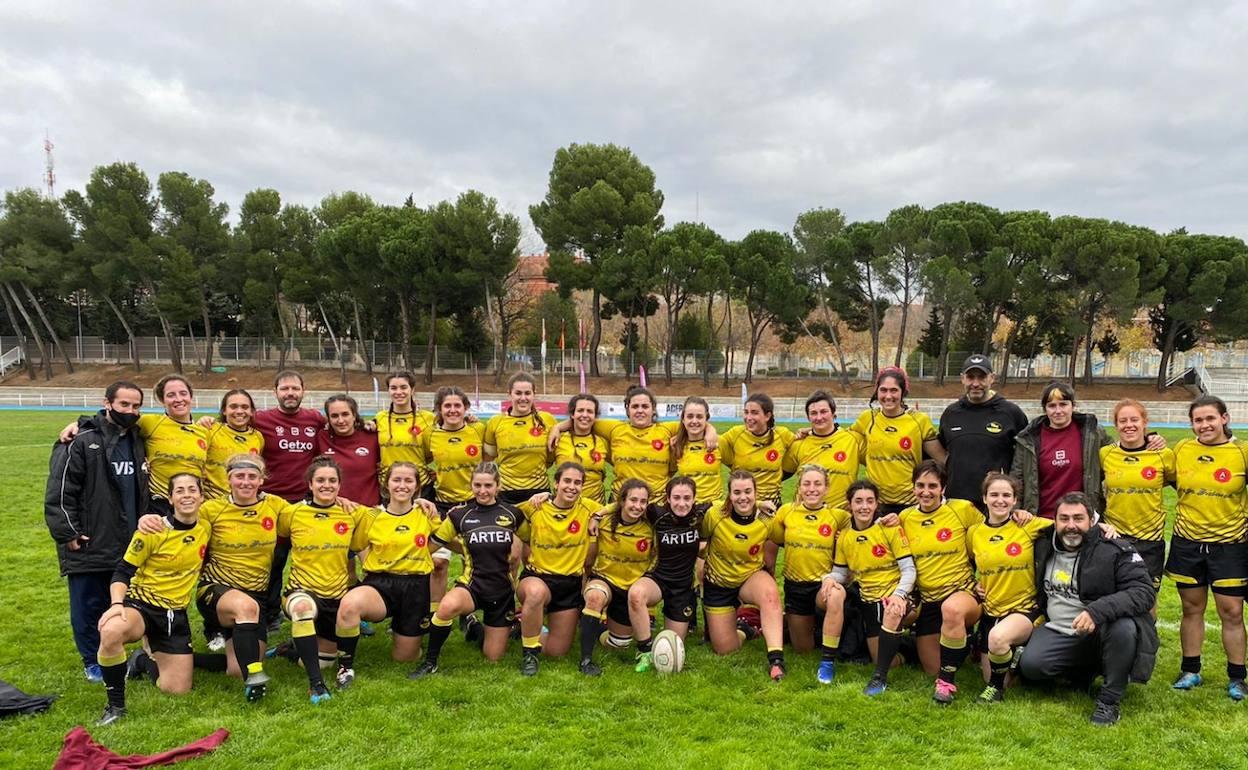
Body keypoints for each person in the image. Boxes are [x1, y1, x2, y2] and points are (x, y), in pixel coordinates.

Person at [137, 454, 288, 701]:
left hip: (254, 597)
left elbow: (308, 514)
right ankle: (256, 678)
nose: (245, 482)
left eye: (252, 476)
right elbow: (179, 519)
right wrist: (149, 518)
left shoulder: (275, 506)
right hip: (215, 591)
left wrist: (345, 504)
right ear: (229, 479)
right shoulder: (212, 510)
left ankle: (160, 661)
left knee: (236, 669)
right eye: (239, 476)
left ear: (261, 480)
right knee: (246, 615)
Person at [1018, 492, 1159, 725]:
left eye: (1078, 519)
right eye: (1064, 519)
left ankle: (1109, 700)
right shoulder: (1043, 544)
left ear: (1092, 521)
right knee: (1032, 668)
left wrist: (1097, 611)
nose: (1071, 526)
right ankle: (1082, 672)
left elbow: (1143, 592)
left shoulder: (1115, 548)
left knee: (1123, 627)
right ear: (1054, 520)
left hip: (1102, 629)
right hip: (1060, 629)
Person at [44, 381, 150, 683]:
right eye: (124, 405)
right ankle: (93, 660)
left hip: (128, 539)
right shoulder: (80, 440)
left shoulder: (138, 439)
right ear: (107, 403)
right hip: (90, 538)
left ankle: (115, 653)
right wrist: (68, 532)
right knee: (88, 603)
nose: (130, 411)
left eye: (136, 406)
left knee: (121, 600)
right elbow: (60, 491)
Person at [94, 473, 211, 725]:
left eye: (193, 490)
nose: (187, 495)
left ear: (202, 496)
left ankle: (141, 661)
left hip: (174, 614)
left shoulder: (206, 525)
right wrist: (116, 605)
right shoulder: (153, 530)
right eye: (179, 491)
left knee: (176, 689)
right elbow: (122, 571)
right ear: (170, 498)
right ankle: (115, 706)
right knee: (112, 631)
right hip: (142, 606)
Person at [1166, 395, 1248, 699]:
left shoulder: (1241, 452)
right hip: (1187, 542)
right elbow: (1168, 480)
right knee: (1191, 608)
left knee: (1231, 611)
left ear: (1224, 419)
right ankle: (1191, 670)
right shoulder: (1183, 449)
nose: (1204, 425)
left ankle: (1237, 677)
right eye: (1198, 420)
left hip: (1229, 545)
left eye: (1210, 418)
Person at [409, 462, 523, 677]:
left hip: (502, 591)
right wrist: (419, 514)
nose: (482, 491)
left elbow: (530, 540)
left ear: (498, 486)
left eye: (488, 485)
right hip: (473, 585)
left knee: (493, 657)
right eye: (477, 485)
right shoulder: (459, 515)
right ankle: (430, 662)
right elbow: (433, 543)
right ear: (471, 486)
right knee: (446, 608)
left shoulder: (513, 514)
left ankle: (474, 628)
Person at [334, 462, 441, 689]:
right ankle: (345, 667)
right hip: (381, 585)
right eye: (397, 480)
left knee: (405, 658)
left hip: (416, 587)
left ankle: (411, 635)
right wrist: (369, 563)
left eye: (408, 481)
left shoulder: (427, 513)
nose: (402, 485)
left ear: (417, 487)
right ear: (386, 484)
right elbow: (355, 541)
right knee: (350, 604)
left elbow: (444, 540)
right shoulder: (371, 515)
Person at [276, 456, 369, 704]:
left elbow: (394, 512)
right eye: (320, 480)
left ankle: (290, 650)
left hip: (336, 596)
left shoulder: (353, 513)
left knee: (325, 661)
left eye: (332, 480)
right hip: (301, 589)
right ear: (310, 484)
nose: (326, 485)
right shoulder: (291, 513)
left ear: (340, 485)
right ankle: (316, 685)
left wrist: (424, 503)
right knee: (303, 609)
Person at [59, 374, 208, 514]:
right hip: (158, 507)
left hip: (194, 506)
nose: (178, 399)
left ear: (191, 396)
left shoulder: (205, 431)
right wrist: (79, 424)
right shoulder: (149, 423)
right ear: (162, 400)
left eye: (183, 393)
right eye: (170, 395)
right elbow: (111, 421)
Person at [899, 461, 982, 704]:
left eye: (933, 486)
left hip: (962, 593)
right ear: (913, 487)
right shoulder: (906, 517)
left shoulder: (962, 509)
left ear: (943, 488)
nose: (926, 491)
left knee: (952, 610)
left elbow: (989, 537)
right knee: (931, 668)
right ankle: (969, 643)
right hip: (929, 599)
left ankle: (946, 683)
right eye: (920, 485)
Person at [548, 385, 716, 504]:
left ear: (653, 409)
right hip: (620, 501)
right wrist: (557, 427)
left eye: (645, 406)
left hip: (656, 503)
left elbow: (694, 422)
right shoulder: (614, 428)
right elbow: (583, 420)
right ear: (627, 409)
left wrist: (711, 430)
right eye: (635, 406)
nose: (640, 410)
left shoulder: (666, 429)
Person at [968, 473, 1051, 703]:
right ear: (984, 498)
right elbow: (967, 564)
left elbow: (1066, 525)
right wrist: (974, 584)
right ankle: (1015, 661)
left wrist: (1100, 526)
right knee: (993, 674)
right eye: (994, 494)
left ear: (1015, 500)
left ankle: (995, 692)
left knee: (997, 639)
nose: (1000, 500)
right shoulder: (974, 533)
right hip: (991, 612)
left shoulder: (1027, 524)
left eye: (1006, 495)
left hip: (1024, 610)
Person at [828, 480, 916, 696]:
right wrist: (828, 579)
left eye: (870, 501)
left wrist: (899, 595)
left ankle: (879, 678)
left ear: (877, 504)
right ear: (850, 505)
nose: (864, 506)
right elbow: (840, 573)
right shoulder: (846, 537)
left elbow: (909, 570)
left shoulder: (889, 529)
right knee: (886, 658)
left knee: (892, 612)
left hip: (897, 596)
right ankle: (910, 648)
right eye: (858, 501)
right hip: (868, 600)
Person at [701, 471, 786, 681]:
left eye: (748, 492)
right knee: (725, 649)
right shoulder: (714, 516)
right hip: (719, 584)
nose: (743, 497)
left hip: (749, 578)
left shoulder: (767, 520)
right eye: (737, 492)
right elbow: (700, 542)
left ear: (756, 493)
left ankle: (776, 660)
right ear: (728, 495)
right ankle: (746, 629)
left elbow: (788, 537)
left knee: (770, 593)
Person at [515, 462, 596, 676]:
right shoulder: (535, 505)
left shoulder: (588, 508)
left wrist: (596, 518)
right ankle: (529, 654)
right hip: (537, 577)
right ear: (556, 483)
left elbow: (622, 505)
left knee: (556, 652)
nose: (572, 487)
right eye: (567, 481)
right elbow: (501, 511)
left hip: (569, 584)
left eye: (577, 483)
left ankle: (525, 626)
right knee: (535, 594)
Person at [769, 466, 849, 672]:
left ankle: (827, 660)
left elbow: (863, 531)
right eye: (806, 484)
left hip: (823, 584)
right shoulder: (786, 512)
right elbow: (775, 539)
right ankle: (797, 624)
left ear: (827, 488)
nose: (811, 489)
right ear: (799, 487)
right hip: (795, 586)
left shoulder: (838, 517)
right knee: (803, 649)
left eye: (817, 484)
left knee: (835, 596)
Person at [629, 476, 711, 672]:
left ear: (694, 499)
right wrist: (598, 515)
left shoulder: (702, 514)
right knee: (636, 595)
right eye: (676, 497)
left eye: (686, 498)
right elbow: (622, 505)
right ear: (667, 498)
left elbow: (730, 504)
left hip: (683, 588)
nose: (681, 503)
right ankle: (645, 650)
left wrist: (760, 503)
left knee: (673, 643)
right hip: (658, 580)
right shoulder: (657, 514)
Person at [578, 479, 657, 676]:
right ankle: (586, 660)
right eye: (633, 500)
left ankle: (596, 629)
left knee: (618, 645)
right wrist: (597, 515)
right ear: (622, 500)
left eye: (643, 502)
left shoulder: (651, 526)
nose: (637, 506)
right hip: (605, 579)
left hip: (630, 589)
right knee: (595, 596)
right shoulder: (603, 521)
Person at [1099, 399, 1175, 595]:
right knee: (1113, 596)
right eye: (1122, 421)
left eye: (1134, 419)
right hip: (1114, 538)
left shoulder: (1163, 455)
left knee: (1147, 600)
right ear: (1116, 425)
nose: (1129, 425)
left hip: (1150, 540)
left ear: (1145, 422)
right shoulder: (1105, 454)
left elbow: (1180, 486)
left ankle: (1147, 628)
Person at [420, 386, 487, 610]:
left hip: (473, 504)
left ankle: (472, 609)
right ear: (439, 409)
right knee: (438, 562)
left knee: (476, 561)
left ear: (465, 408)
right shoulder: (430, 434)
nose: (452, 410)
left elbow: (487, 461)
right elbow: (423, 458)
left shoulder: (478, 429)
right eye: (447, 406)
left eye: (457, 405)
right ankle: (434, 615)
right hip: (442, 504)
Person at [850, 367, 945, 515]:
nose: (888, 396)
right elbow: (841, 439)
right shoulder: (867, 418)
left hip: (911, 503)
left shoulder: (919, 421)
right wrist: (810, 432)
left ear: (903, 392)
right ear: (877, 392)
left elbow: (942, 459)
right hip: (877, 503)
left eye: (894, 390)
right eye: (883, 390)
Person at [937, 355, 1029, 506]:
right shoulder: (951, 414)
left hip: (995, 504)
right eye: (970, 377)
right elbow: (941, 451)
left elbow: (1025, 460)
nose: (975, 383)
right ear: (962, 379)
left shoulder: (1011, 413)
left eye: (982, 377)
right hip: (956, 502)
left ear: (992, 378)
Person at [1011, 382, 1111, 518]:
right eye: (1052, 406)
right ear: (1045, 408)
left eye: (1063, 404)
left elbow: (1120, 452)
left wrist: (1149, 440)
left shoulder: (1093, 434)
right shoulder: (1028, 439)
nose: (1058, 411)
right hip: (1041, 519)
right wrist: (1016, 509)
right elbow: (1017, 479)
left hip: (1081, 520)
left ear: (1073, 405)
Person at [784, 390, 863, 508]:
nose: (819, 417)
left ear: (833, 414)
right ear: (808, 417)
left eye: (824, 412)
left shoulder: (853, 439)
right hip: (805, 518)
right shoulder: (799, 444)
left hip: (841, 518)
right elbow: (777, 474)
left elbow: (878, 462)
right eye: (814, 413)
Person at [485, 372, 555, 505]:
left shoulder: (547, 420)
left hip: (539, 492)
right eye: (518, 393)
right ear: (509, 393)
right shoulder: (495, 422)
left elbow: (552, 456)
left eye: (527, 393)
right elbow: (488, 456)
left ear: (534, 393)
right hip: (505, 493)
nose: (523, 398)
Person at [720, 394, 794, 507]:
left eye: (754, 413)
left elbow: (806, 440)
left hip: (771, 503)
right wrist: (710, 430)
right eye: (746, 412)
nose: (748, 417)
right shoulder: (735, 434)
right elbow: (712, 441)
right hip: (741, 503)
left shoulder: (782, 435)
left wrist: (806, 430)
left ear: (767, 416)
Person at [316, 394, 382, 507]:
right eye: (334, 416)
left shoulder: (373, 437)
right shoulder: (321, 437)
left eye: (345, 414)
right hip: (333, 511)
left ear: (354, 415)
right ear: (328, 418)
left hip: (368, 511)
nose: (340, 420)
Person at [373, 371, 435, 492]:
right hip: (388, 486)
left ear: (412, 390)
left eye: (403, 387)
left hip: (420, 486)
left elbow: (435, 450)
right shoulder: (380, 418)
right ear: (388, 391)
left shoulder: (428, 418)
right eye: (393, 388)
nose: (398, 392)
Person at [203, 389, 264, 499]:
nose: (239, 411)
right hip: (213, 501)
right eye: (233, 407)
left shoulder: (258, 437)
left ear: (251, 411)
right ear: (224, 411)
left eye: (245, 407)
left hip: (243, 503)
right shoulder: (210, 430)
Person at [554, 394, 609, 505]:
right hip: (564, 508)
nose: (585, 415)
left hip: (595, 508)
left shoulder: (603, 441)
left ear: (595, 416)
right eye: (580, 410)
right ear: (572, 414)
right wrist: (557, 428)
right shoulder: (558, 439)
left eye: (589, 411)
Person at [670, 396, 722, 503]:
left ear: (706, 419)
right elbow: (668, 473)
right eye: (690, 416)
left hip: (713, 507)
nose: (694, 421)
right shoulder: (676, 445)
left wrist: (710, 429)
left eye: (699, 417)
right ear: (683, 419)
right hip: (687, 507)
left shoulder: (718, 442)